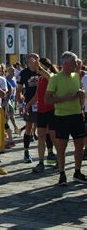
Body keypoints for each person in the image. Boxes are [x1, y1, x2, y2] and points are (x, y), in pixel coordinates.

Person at [45, 51, 87, 185]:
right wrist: (66, 98)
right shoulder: (55, 78)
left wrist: (81, 95)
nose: (77, 64)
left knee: (79, 145)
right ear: (66, 64)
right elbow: (47, 99)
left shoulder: (76, 76)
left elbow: (78, 95)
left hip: (76, 115)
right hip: (61, 116)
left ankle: (77, 172)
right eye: (74, 62)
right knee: (61, 147)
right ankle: (62, 173)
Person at [28, 58, 58, 173]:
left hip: (51, 110)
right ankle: (41, 162)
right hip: (41, 111)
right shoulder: (39, 79)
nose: (36, 67)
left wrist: (39, 68)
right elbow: (37, 96)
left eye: (39, 65)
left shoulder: (51, 77)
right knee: (41, 136)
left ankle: (60, 160)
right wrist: (28, 105)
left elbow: (49, 76)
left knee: (54, 136)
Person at [17, 53, 41, 163]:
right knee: (28, 128)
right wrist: (21, 104)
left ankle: (50, 153)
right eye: (31, 60)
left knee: (47, 130)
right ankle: (26, 152)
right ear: (27, 61)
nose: (34, 61)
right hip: (30, 102)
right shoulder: (24, 73)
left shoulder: (42, 71)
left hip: (43, 102)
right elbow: (19, 90)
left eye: (36, 59)